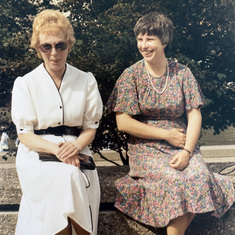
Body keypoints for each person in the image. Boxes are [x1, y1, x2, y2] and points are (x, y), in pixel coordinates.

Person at [106, 12, 234, 235]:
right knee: (173, 182)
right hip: (146, 149)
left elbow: (194, 115)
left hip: (182, 145)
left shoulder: (182, 73)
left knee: (199, 177)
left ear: (164, 41)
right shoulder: (131, 75)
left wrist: (186, 151)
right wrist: (165, 135)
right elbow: (123, 122)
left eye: (150, 39)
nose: (144, 45)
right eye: (140, 39)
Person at [11, 9, 103, 235]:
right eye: (47, 46)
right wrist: (59, 150)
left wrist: (75, 147)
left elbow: (90, 127)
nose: (54, 52)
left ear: (69, 45)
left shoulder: (85, 80)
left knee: (74, 176)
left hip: (77, 149)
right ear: (37, 48)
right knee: (68, 177)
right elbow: (25, 134)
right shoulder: (26, 84)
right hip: (38, 153)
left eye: (60, 45)